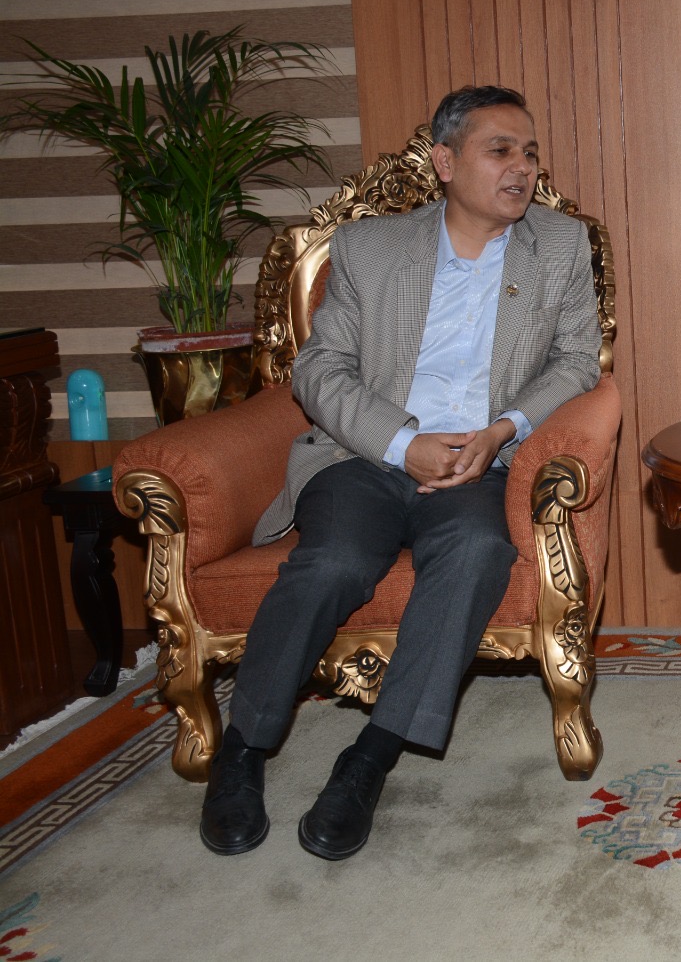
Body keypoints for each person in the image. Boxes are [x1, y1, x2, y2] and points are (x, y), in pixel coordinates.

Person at [198, 85, 602, 859]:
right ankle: (242, 750)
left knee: (479, 550)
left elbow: (579, 361)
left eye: (529, 152)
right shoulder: (371, 247)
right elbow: (320, 369)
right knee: (334, 561)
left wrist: (501, 431)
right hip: (366, 458)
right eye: (500, 150)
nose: (522, 168)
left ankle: (367, 761)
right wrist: (402, 441)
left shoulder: (559, 245)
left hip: (481, 465)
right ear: (445, 162)